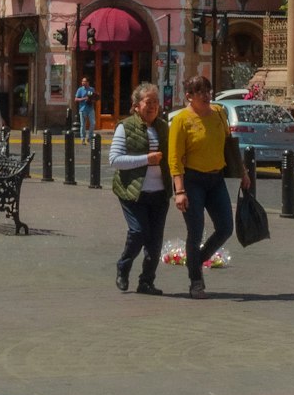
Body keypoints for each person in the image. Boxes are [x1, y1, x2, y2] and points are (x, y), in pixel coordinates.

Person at [168, 75, 249, 299]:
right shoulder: (182, 121)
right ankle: (196, 281)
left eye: (208, 90)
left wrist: (242, 172)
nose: (206, 95)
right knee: (195, 231)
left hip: (216, 180)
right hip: (192, 181)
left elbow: (229, 145)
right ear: (189, 96)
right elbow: (175, 158)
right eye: (200, 92)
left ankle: (196, 260)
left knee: (225, 228)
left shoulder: (219, 114)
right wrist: (180, 191)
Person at [109, 81, 170, 295]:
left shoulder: (164, 127)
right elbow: (115, 160)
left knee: (155, 241)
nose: (153, 106)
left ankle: (146, 282)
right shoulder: (125, 127)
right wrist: (147, 159)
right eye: (148, 102)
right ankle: (123, 266)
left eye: (155, 102)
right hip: (132, 191)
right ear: (136, 106)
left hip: (160, 193)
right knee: (139, 232)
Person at [75, 76, 95, 143]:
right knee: (83, 125)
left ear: (88, 82)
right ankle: (83, 138)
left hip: (90, 109)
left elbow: (93, 98)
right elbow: (76, 99)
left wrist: (92, 100)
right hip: (83, 109)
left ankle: (89, 137)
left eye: (84, 81)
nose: (83, 82)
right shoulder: (80, 89)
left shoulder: (91, 89)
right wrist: (84, 99)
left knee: (93, 123)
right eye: (82, 81)